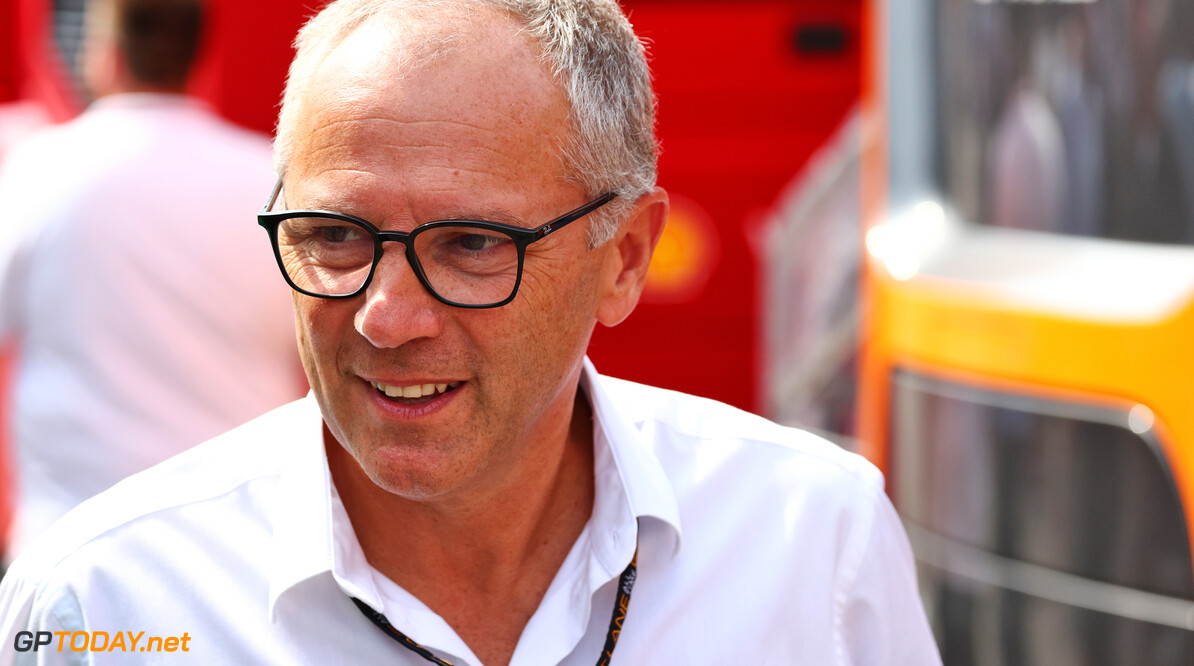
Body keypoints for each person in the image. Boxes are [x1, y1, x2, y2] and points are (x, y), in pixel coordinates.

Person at [0, 0, 941, 663]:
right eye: (335, 236)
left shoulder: (814, 544)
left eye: (471, 246)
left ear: (623, 259)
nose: (387, 317)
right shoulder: (102, 603)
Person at [0, 0, 304, 561]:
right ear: (195, 56)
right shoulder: (270, 184)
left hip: (69, 544)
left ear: (105, 54)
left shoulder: (37, 172)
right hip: (235, 543)